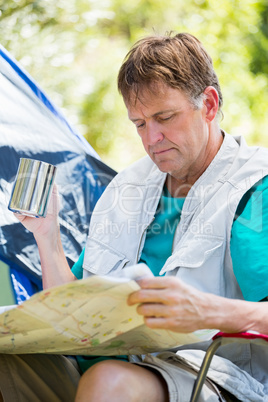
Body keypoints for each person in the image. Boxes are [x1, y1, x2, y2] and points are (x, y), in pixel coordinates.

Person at [1, 32, 268, 402]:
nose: (152, 138)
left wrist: (206, 310)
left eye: (164, 117)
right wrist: (46, 235)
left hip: (204, 376)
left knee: (109, 381)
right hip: (98, 370)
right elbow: (69, 312)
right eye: (140, 123)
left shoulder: (254, 189)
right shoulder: (127, 187)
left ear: (208, 104)